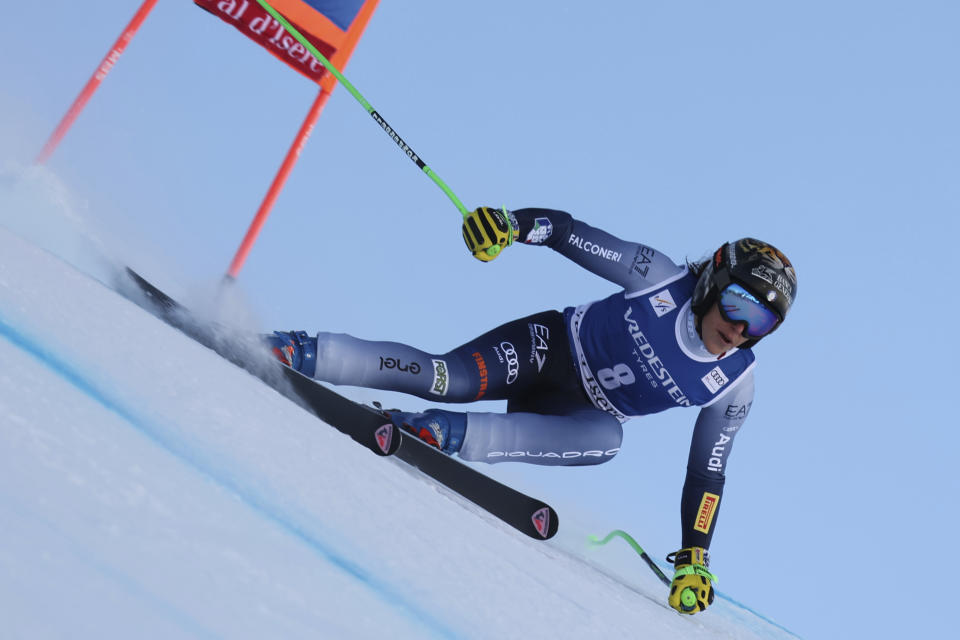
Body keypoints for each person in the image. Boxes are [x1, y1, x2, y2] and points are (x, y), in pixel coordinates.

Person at [266, 206, 798, 615]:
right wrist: (510, 226)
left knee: (607, 442)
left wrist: (694, 559)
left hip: (580, 413)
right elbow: (567, 232)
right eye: (737, 306)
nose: (739, 330)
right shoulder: (656, 277)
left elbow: (708, 471)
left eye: (761, 325)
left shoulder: (734, 383)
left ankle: (436, 435)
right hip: (549, 349)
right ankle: (300, 351)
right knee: (445, 377)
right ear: (711, 284)